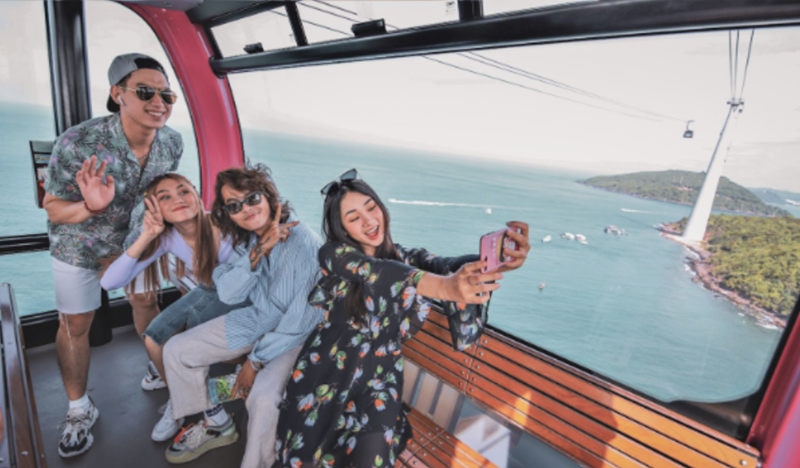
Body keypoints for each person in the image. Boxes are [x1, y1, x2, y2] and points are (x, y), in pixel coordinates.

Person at [273, 169, 530, 468]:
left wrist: (496, 261)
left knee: (371, 459)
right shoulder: (334, 254)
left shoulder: (406, 258)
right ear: (342, 228)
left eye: (371, 207)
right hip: (327, 372)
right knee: (304, 457)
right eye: (354, 218)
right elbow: (377, 273)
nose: (369, 221)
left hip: (378, 381)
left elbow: (446, 265)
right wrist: (444, 287)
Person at [43, 52, 183, 458]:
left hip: (135, 242)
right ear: (118, 94)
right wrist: (90, 207)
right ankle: (78, 408)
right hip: (79, 244)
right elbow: (53, 208)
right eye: (145, 91)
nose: (158, 102)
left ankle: (158, 368)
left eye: (166, 94)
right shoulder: (78, 142)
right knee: (76, 324)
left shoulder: (172, 142)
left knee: (146, 301)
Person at [162, 164, 323, 467]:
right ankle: (216, 423)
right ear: (229, 214)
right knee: (176, 350)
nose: (246, 209)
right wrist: (257, 252)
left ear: (269, 196)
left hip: (294, 337)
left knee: (261, 399)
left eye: (252, 198)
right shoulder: (250, 241)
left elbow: (302, 321)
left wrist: (255, 361)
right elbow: (228, 293)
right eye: (234, 206)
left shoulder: (303, 243)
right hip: (257, 319)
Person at [100, 173, 248, 442]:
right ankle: (183, 401)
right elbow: (110, 282)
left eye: (183, 191)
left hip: (247, 291)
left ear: (197, 195)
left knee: (186, 339)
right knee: (154, 339)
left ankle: (207, 408)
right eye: (165, 197)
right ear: (154, 209)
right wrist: (147, 235)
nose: (178, 199)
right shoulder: (167, 238)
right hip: (211, 289)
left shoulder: (225, 222)